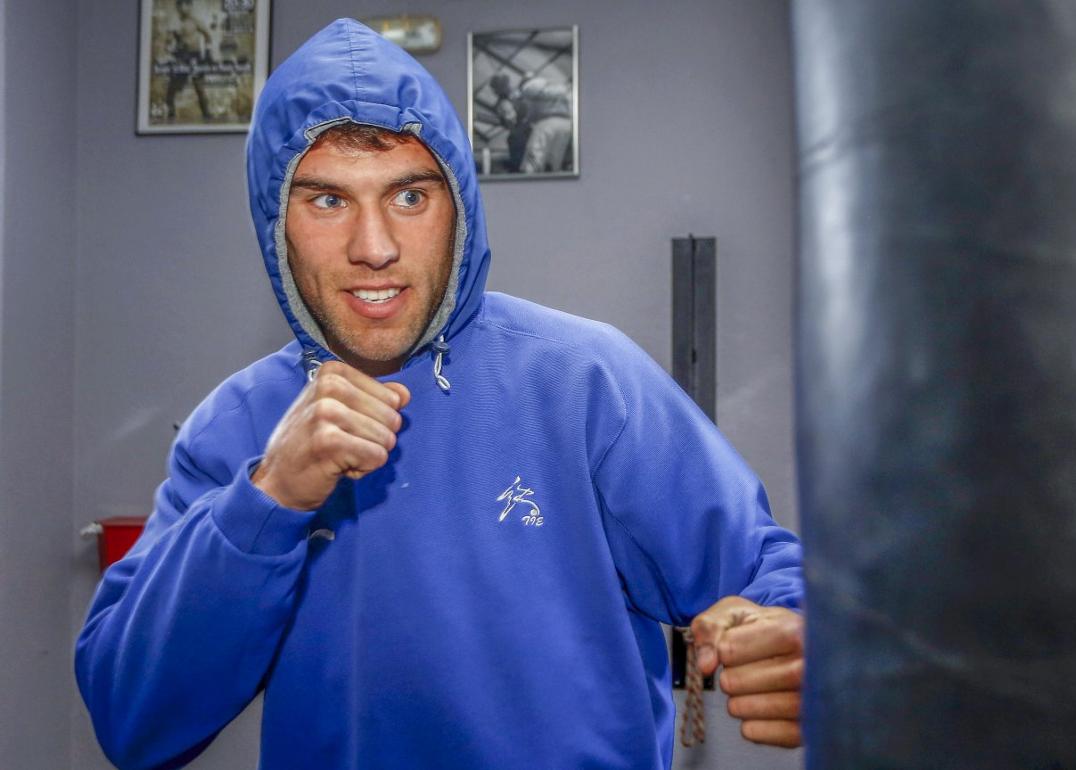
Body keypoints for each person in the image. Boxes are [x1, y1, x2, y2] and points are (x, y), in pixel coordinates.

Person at [76, 18, 804, 770]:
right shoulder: (236, 428)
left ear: (458, 203)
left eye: (410, 196)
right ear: (274, 222)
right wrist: (269, 500)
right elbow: (133, 720)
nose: (374, 246)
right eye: (326, 201)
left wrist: (790, 637)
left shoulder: (585, 380)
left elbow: (762, 576)